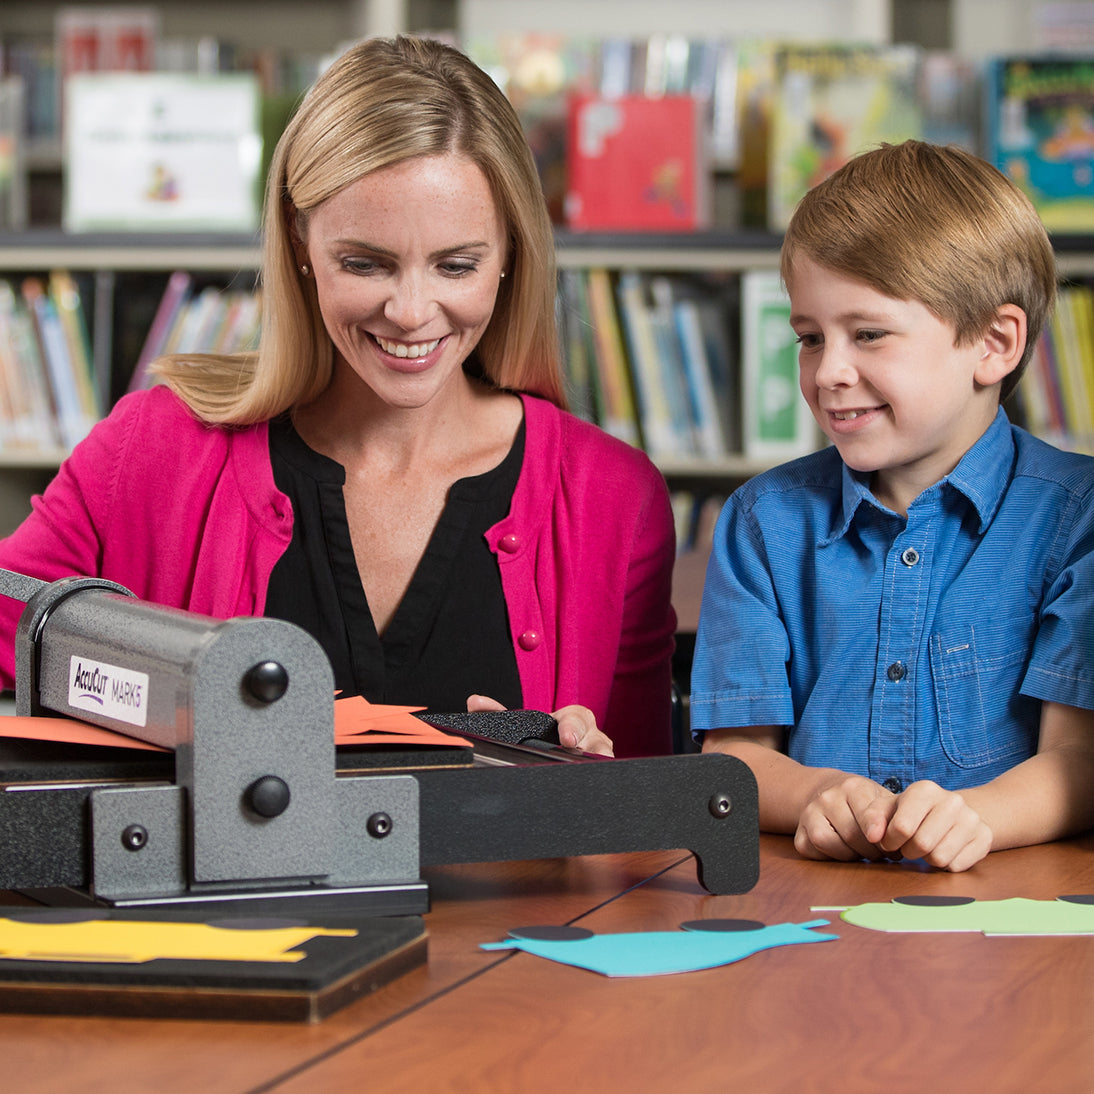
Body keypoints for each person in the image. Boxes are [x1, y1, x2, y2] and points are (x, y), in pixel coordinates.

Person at [0, 36, 677, 758]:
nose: (412, 312)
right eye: (365, 263)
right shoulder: (154, 450)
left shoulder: (611, 497)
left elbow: (644, 815)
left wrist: (592, 790)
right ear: (299, 239)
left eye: (456, 265)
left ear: (510, 250)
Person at [692, 140, 1094, 870]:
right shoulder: (760, 523)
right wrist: (820, 795)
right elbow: (736, 759)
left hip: (1015, 916)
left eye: (868, 334)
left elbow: (1080, 761)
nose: (829, 373)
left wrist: (974, 819)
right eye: (810, 339)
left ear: (994, 343)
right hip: (815, 909)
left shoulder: (1077, 519)